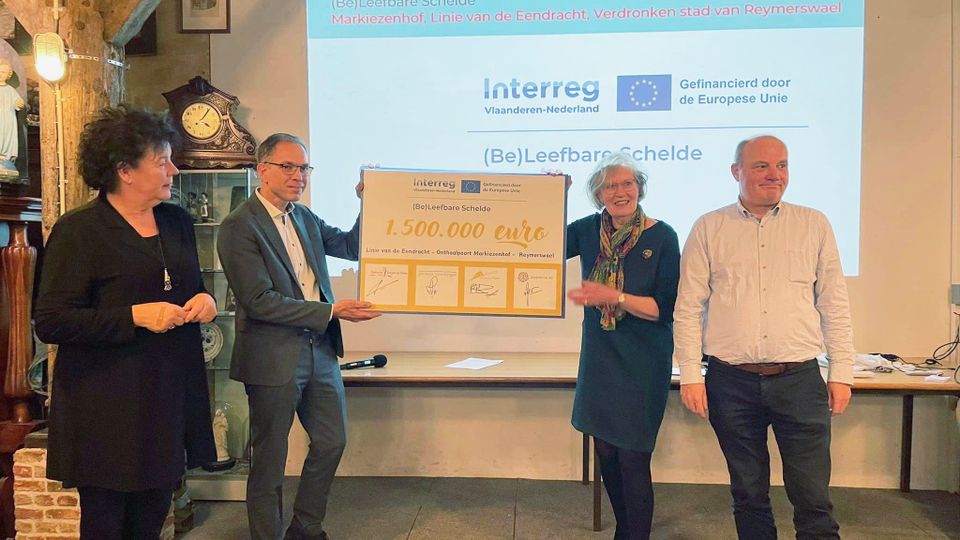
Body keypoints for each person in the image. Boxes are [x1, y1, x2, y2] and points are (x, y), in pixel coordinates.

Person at [34, 106, 217, 538]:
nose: (174, 170)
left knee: (150, 523)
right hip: (106, 408)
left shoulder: (176, 221)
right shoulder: (79, 231)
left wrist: (206, 301)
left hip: (166, 397)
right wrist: (134, 316)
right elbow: (52, 321)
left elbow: (191, 287)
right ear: (124, 171)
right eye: (162, 161)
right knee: (105, 525)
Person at [674, 135, 855, 539]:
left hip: (800, 381)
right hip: (730, 381)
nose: (775, 175)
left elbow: (834, 303)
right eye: (761, 166)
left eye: (782, 165)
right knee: (748, 493)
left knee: (812, 496)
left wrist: (842, 371)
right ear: (736, 171)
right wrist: (690, 375)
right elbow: (687, 307)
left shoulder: (813, 224)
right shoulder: (709, 227)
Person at [216, 133, 380, 540]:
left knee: (331, 442)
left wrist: (369, 200)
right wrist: (331, 311)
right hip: (273, 356)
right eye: (288, 167)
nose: (298, 176)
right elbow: (258, 301)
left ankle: (305, 528)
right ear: (263, 169)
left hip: (319, 349)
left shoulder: (304, 217)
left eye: (304, 168)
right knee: (270, 461)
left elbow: (352, 246)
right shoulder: (239, 226)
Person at [565, 153, 680, 540]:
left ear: (639, 188)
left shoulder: (662, 236)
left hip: (643, 362)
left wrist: (614, 296)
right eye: (610, 186)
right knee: (607, 455)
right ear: (598, 195)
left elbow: (664, 309)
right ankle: (625, 531)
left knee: (632, 457)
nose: (620, 191)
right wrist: (552, 195)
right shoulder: (586, 231)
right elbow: (540, 244)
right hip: (601, 360)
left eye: (627, 183)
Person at [0, 58, 23, 178]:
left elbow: (17, 102)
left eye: (3, 72)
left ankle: (5, 159)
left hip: (8, 119)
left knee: (7, 136)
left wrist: (18, 103)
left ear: (8, 75)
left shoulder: (10, 90)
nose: (0, 74)